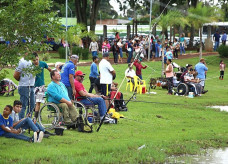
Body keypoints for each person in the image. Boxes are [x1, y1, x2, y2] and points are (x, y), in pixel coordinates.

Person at [13, 52, 37, 119]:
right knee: (23, 105)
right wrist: (23, 81)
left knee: (32, 105)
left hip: (31, 85)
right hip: (24, 86)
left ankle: (27, 121)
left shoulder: (31, 62)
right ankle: (20, 122)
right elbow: (16, 75)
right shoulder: (22, 62)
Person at [33, 55, 52, 119]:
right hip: (33, 86)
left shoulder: (43, 64)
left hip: (41, 86)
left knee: (38, 102)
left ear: (38, 58)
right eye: (34, 60)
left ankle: (37, 116)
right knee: (33, 102)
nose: (36, 61)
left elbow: (50, 70)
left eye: (36, 59)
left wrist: (53, 78)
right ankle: (35, 113)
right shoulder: (30, 66)